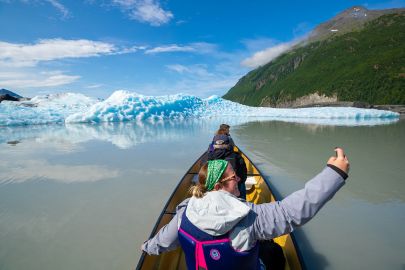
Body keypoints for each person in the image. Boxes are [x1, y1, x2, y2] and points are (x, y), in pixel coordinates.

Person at [142, 148, 349, 270]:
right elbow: (290, 213)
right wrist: (334, 173)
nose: (240, 179)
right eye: (234, 177)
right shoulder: (249, 217)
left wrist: (146, 246)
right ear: (217, 186)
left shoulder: (183, 213)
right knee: (274, 252)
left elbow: (162, 243)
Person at [207, 134, 247, 199]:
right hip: (233, 190)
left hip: (214, 190)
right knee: (242, 184)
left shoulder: (209, 157)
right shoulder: (237, 157)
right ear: (229, 145)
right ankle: (243, 199)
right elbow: (243, 177)